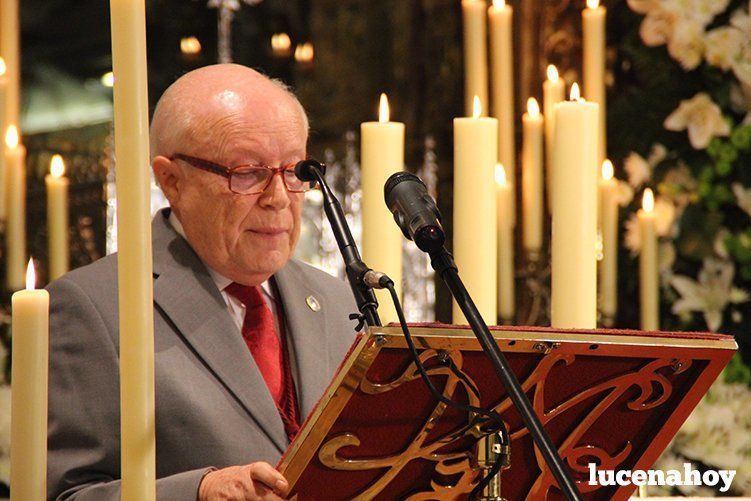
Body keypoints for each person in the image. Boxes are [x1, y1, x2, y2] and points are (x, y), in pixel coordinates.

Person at [47, 64, 359, 500]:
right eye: (248, 173)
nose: (278, 198)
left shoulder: (336, 298)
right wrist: (200, 491)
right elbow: (67, 493)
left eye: (295, 171)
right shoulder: (93, 305)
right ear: (171, 179)